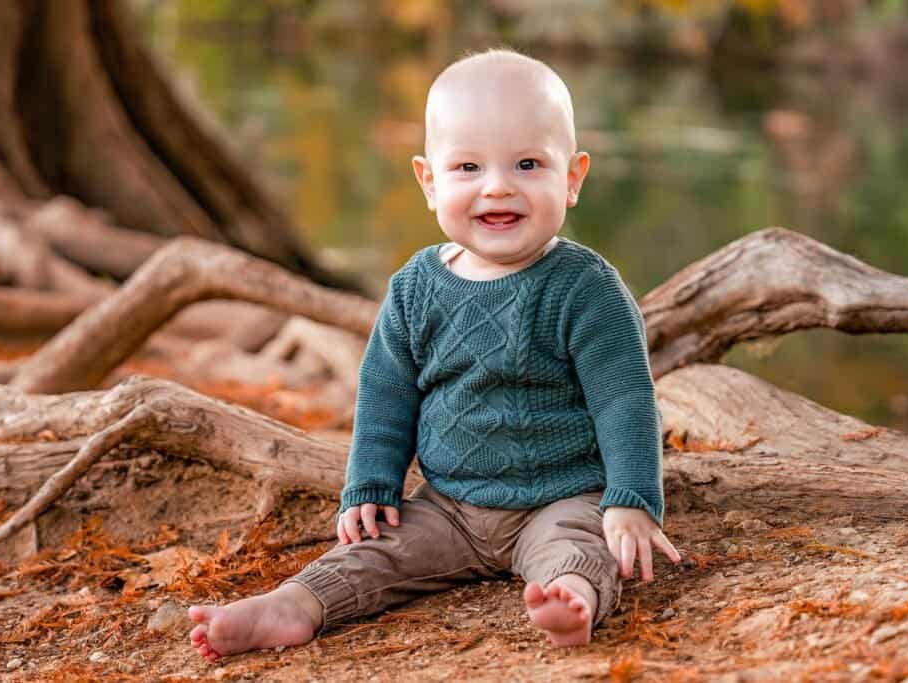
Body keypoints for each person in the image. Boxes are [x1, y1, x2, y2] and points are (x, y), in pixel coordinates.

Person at [188, 48, 680, 661]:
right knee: (372, 552)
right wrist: (371, 483)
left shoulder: (586, 287)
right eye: (468, 166)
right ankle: (293, 606)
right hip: (447, 506)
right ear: (429, 181)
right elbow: (387, 392)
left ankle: (568, 602)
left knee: (582, 546)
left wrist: (632, 500)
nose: (497, 185)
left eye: (528, 164)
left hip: (561, 496)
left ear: (573, 177)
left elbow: (625, 397)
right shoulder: (417, 287)